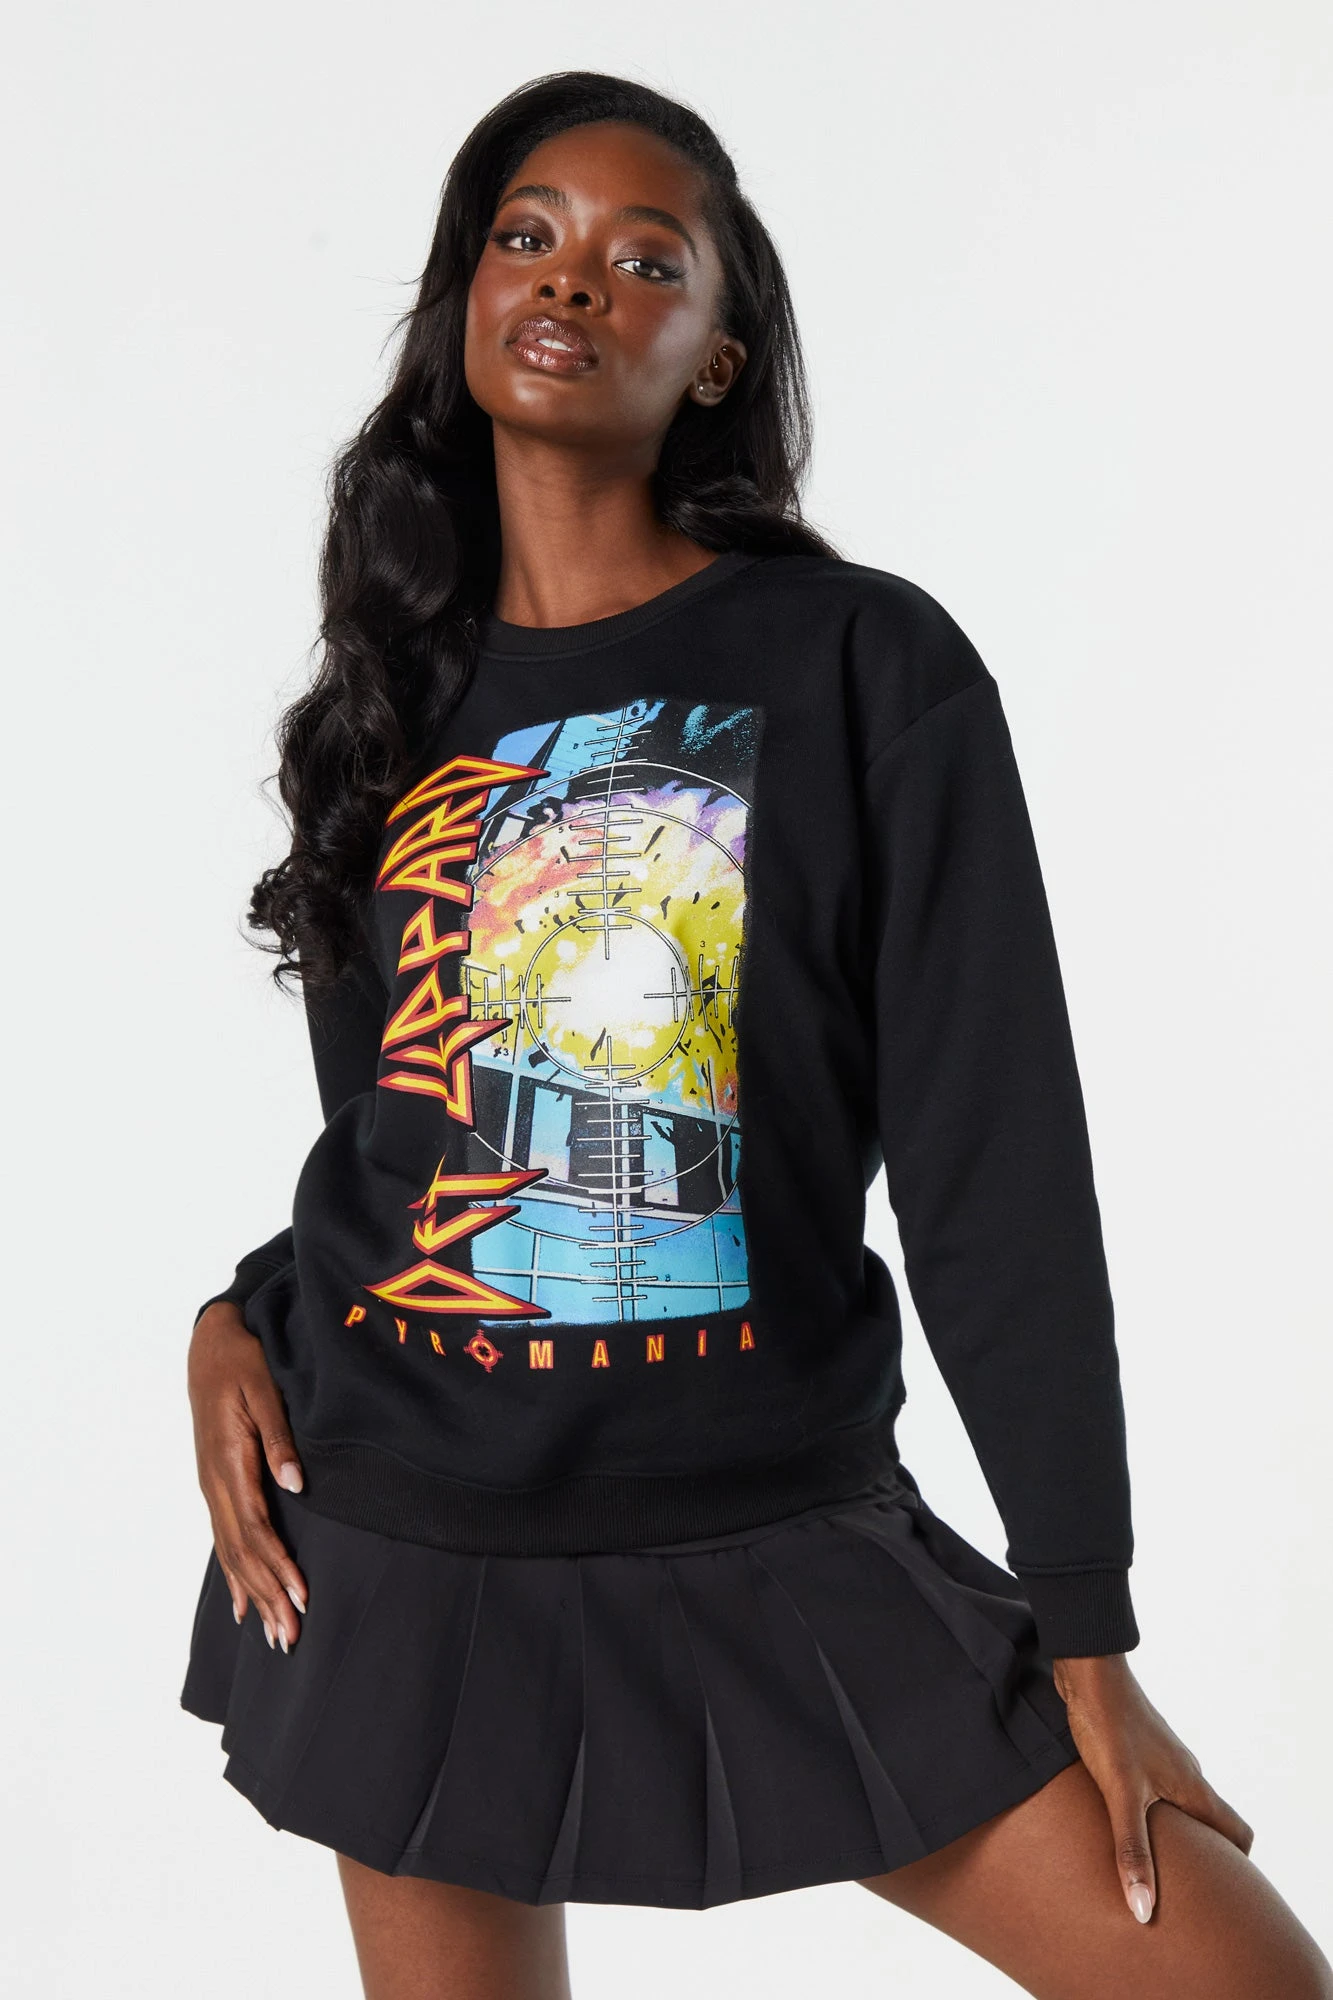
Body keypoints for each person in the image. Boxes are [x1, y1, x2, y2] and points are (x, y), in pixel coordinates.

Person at [181, 69, 1331, 2000]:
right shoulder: (391, 703)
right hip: (400, 1535)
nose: (575, 281)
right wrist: (242, 1310)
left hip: (775, 1521)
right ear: (465, 299)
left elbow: (993, 1160)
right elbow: (403, 1135)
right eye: (528, 237)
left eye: (649, 261)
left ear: (718, 355)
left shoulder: (863, 664)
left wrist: (1084, 1620)